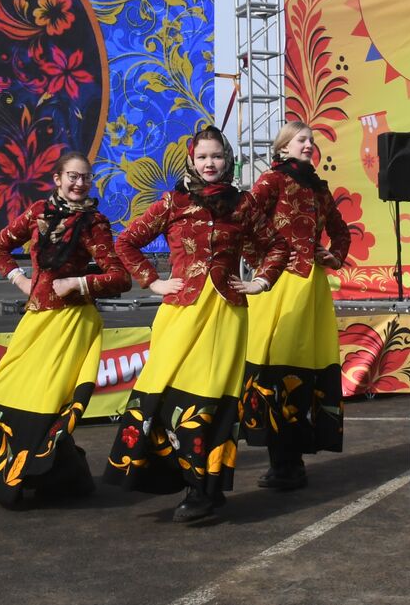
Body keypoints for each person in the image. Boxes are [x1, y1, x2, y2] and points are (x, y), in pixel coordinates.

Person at [105, 125, 288, 522]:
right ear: (192, 159)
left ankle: (204, 491)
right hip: (180, 312)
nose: (210, 163)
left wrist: (259, 281)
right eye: (203, 156)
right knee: (163, 393)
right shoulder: (173, 202)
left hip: (226, 315)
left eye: (217, 156)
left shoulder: (243, 205)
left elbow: (278, 245)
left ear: (228, 160)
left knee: (211, 402)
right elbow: (125, 241)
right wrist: (152, 281)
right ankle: (175, 479)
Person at [0, 151, 129, 504]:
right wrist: (19, 279)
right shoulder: (37, 213)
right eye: (72, 176)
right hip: (35, 319)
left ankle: (40, 474)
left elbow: (120, 277)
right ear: (57, 179)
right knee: (5, 391)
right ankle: (60, 477)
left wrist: (78, 282)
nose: (79, 183)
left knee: (48, 402)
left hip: (72, 324)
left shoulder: (94, 224)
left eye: (85, 178)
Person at [239, 122, 350, 491]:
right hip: (277, 285)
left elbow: (342, 231)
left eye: (312, 141)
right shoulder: (272, 181)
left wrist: (332, 257)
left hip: (311, 288)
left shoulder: (319, 188)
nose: (310, 145)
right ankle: (281, 459)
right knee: (273, 364)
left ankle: (292, 460)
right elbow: (244, 221)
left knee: (303, 368)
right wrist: (263, 262)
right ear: (283, 147)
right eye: (302, 140)